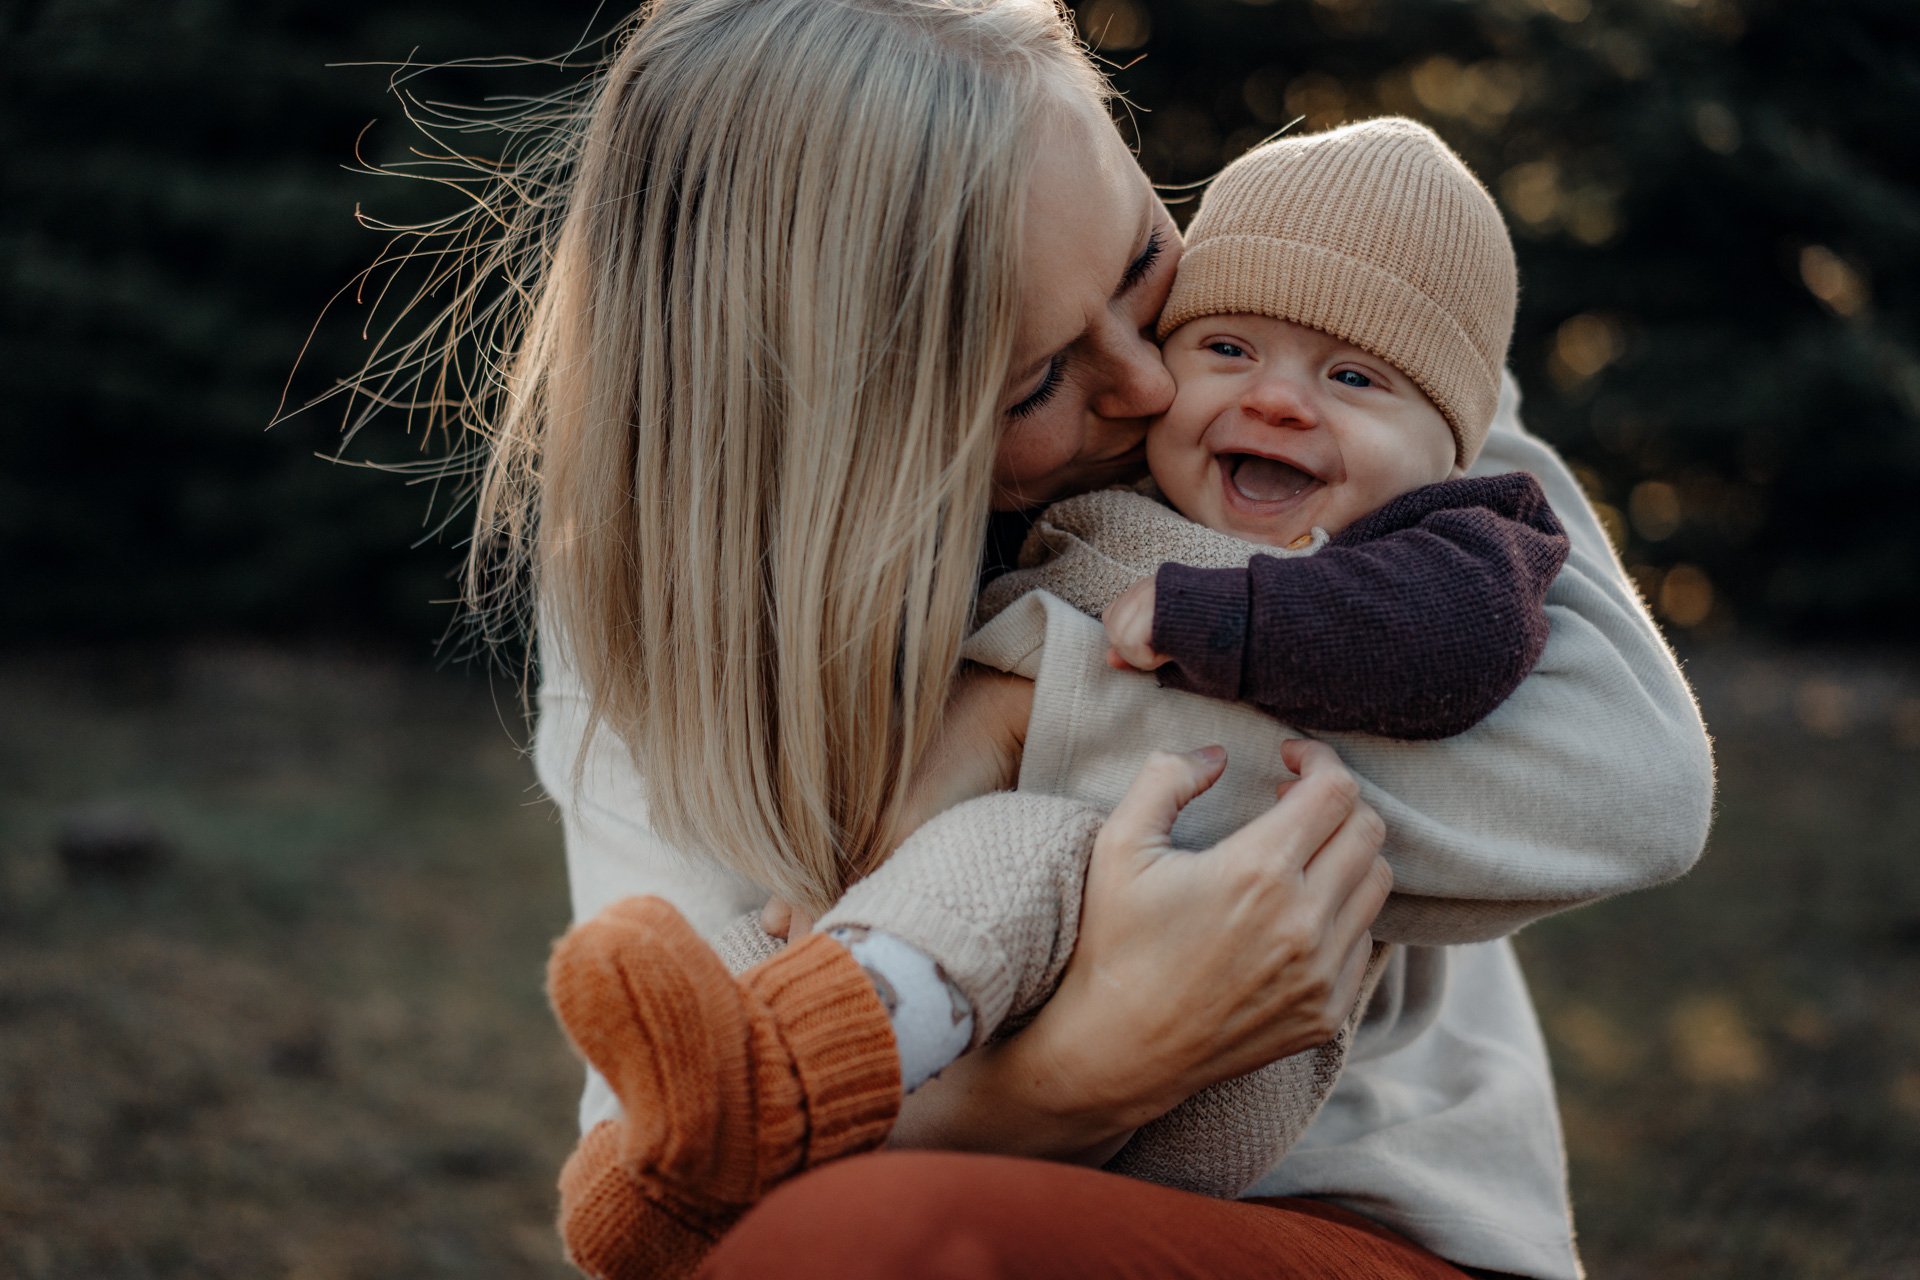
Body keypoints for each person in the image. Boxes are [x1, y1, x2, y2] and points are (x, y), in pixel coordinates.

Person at [448, 0, 1714, 1275]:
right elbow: (665, 1130)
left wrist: (1022, 709)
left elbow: (1630, 786)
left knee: (843, 1239)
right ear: (839, 444)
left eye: (1139, 262)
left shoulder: (1350, 345)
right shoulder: (662, 598)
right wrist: (1082, 1072)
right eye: (1038, 381)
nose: (1160, 382)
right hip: (972, 1171)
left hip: (1362, 1206)